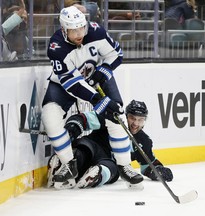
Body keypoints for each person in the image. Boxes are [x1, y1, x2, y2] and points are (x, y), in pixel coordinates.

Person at [43, 6, 143, 189]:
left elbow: (116, 54)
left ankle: (124, 166)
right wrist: (97, 99)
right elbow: (71, 83)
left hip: (96, 77)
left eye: (81, 28)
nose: (79, 33)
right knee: (49, 116)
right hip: (65, 84)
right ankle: (69, 163)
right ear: (64, 30)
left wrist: (103, 71)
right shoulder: (56, 47)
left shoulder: (96, 31)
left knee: (116, 114)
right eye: (74, 30)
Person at [57, 100, 173, 186]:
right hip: (91, 149)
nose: (135, 123)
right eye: (132, 118)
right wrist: (73, 127)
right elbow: (83, 119)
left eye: (140, 120)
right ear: (126, 116)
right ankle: (63, 163)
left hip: (107, 162)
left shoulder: (144, 141)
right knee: (83, 149)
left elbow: (148, 165)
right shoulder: (112, 119)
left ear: (144, 121)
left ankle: (96, 176)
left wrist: (157, 170)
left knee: (116, 170)